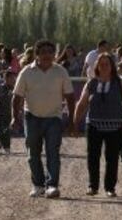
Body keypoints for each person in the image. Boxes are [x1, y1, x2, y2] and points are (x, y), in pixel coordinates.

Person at [14, 40, 76, 198]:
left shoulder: (61, 72)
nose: (47, 55)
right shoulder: (26, 72)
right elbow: (17, 97)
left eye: (50, 51)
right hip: (32, 117)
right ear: (36, 54)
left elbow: (70, 96)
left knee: (52, 153)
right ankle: (38, 184)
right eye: (43, 52)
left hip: (54, 118)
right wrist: (15, 117)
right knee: (33, 153)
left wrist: (71, 120)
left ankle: (52, 185)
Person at [74, 53, 122, 197]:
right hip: (93, 126)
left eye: (107, 64)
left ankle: (110, 188)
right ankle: (92, 186)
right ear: (97, 67)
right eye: (101, 64)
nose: (104, 66)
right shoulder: (91, 83)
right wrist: (74, 123)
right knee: (92, 157)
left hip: (115, 127)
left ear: (112, 66)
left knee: (112, 158)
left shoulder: (120, 83)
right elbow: (82, 104)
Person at [0, 70, 16, 153]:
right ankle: (1, 142)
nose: (12, 80)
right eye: (9, 78)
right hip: (0, 112)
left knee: (7, 130)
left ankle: (7, 146)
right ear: (5, 79)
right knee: (0, 128)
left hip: (10, 113)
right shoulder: (0, 87)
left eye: (13, 78)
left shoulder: (15, 88)